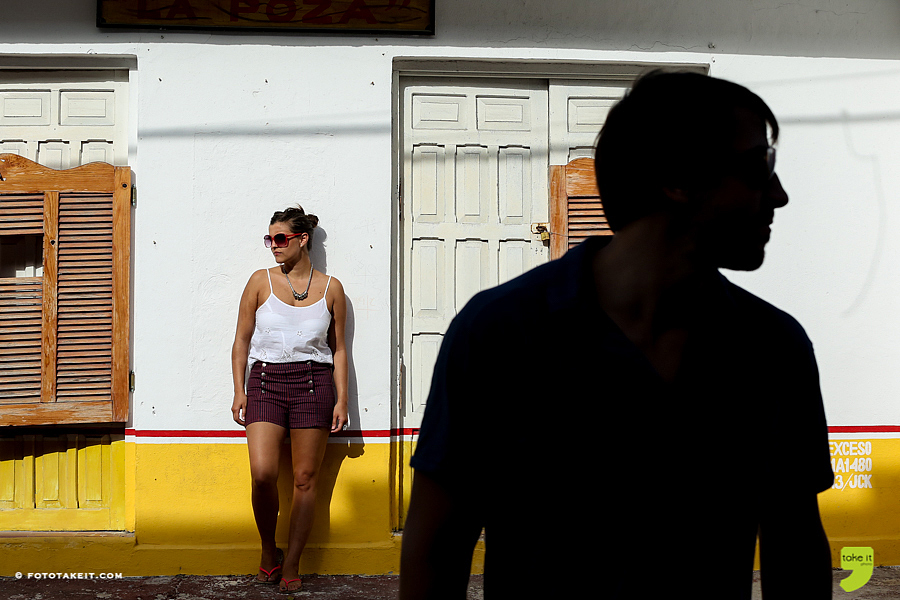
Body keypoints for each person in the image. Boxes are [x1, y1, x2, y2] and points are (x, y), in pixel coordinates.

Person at [400, 71, 834, 599]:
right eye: (757, 169)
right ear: (677, 178)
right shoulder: (500, 333)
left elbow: (797, 551)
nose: (780, 195)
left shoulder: (774, 348)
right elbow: (437, 552)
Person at [231, 206, 349, 593]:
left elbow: (340, 349)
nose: (273, 246)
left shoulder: (332, 288)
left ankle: (293, 561)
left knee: (303, 479)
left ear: (302, 240)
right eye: (269, 239)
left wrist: (342, 399)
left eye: (280, 238)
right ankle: (269, 550)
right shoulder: (259, 282)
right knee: (263, 474)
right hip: (265, 381)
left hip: (314, 384)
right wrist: (239, 390)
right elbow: (241, 342)